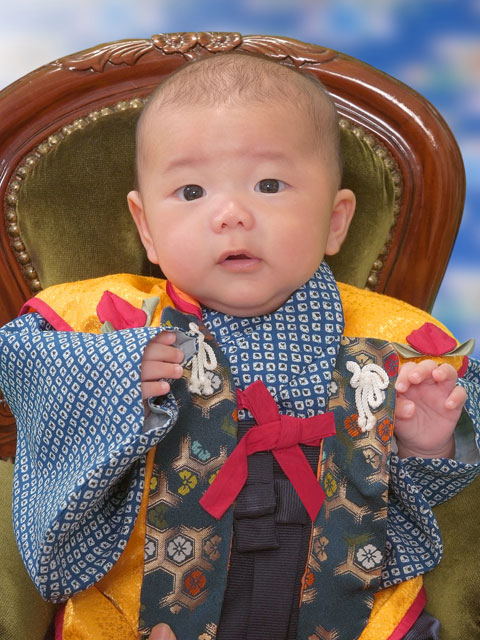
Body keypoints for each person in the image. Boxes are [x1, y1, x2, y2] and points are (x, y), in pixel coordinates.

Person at [0, 52, 478, 640]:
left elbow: (452, 443)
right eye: (191, 190)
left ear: (335, 220)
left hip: (338, 580)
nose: (231, 215)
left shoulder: (390, 334)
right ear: (146, 228)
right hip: (155, 585)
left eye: (269, 185)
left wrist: (430, 439)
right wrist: (115, 372)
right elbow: (18, 360)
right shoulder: (114, 318)